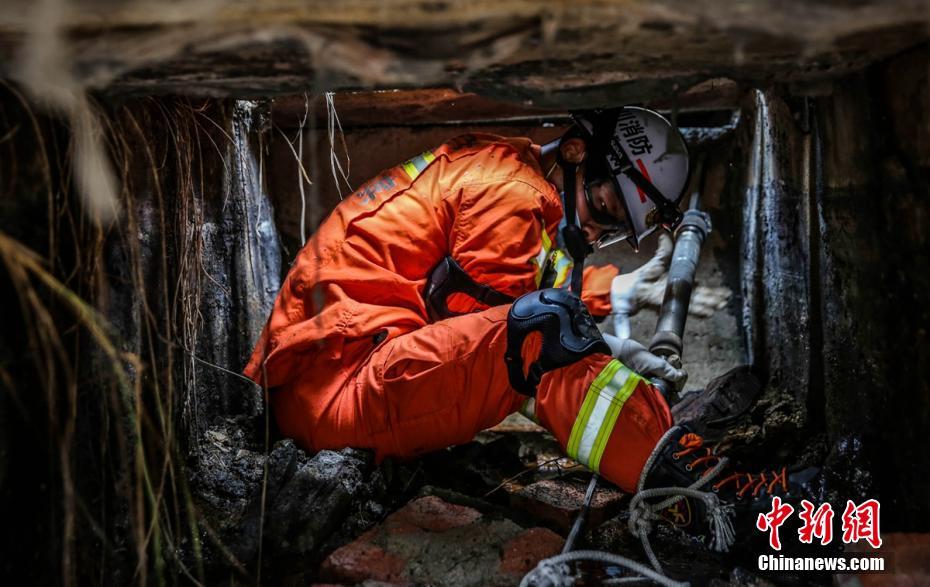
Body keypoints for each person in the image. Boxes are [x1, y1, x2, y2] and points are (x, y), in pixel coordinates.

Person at [244, 107, 816, 549]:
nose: (599, 233)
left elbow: (519, 295)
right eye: (608, 208)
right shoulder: (510, 194)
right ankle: (706, 500)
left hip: (349, 377)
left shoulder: (519, 184)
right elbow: (501, 328)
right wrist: (607, 350)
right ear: (573, 152)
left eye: (617, 227)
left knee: (549, 324)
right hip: (340, 391)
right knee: (545, 330)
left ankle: (684, 469)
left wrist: (609, 315)